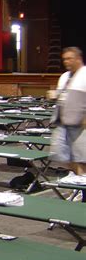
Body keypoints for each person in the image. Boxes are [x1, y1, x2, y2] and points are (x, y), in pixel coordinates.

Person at [48, 47, 86, 200]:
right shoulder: (64, 76)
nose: (66, 62)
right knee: (64, 156)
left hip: (80, 124)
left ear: (78, 58)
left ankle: (82, 191)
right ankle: (78, 183)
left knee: (81, 158)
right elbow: (62, 95)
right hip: (62, 122)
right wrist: (54, 95)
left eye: (69, 58)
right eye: (64, 59)